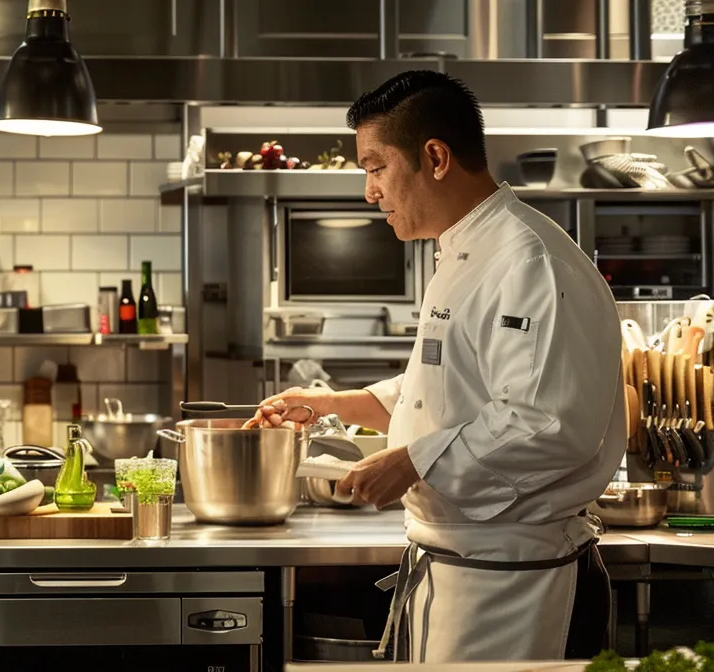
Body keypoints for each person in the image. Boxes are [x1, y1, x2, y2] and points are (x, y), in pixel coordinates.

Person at [249, 71, 621, 663]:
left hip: (517, 585)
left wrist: (413, 459)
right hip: (463, 571)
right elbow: (449, 388)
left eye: (375, 168)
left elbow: (549, 423)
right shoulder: (462, 251)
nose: (369, 192)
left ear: (436, 157)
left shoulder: (533, 262)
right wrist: (333, 404)